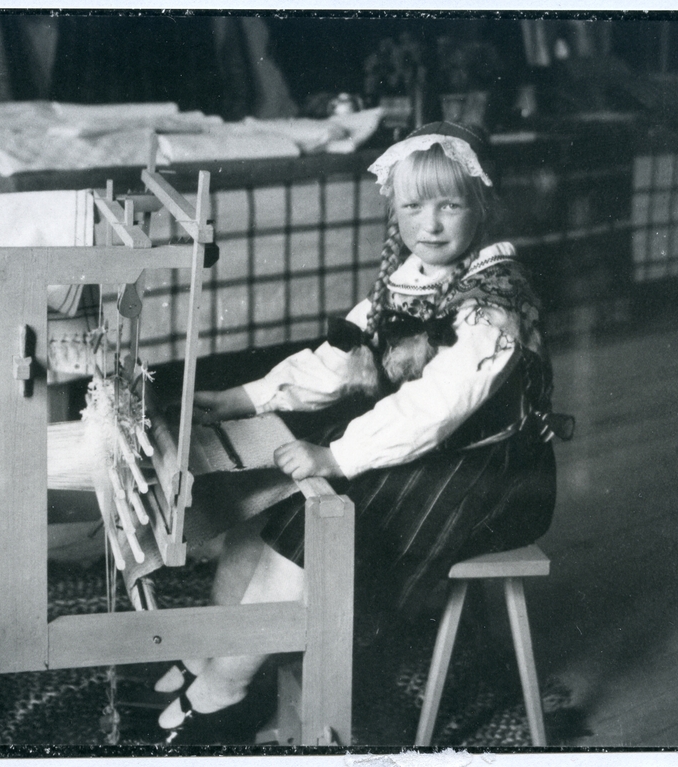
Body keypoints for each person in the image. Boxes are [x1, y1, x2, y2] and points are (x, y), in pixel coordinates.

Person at [155, 121, 571, 745]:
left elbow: (437, 406)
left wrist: (337, 456)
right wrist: (242, 397)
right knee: (271, 490)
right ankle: (213, 651)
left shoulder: (494, 300)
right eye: (414, 207)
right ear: (395, 211)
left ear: (482, 207)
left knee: (323, 518)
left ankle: (227, 688)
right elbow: (336, 363)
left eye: (449, 206)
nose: (430, 225)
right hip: (430, 447)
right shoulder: (407, 280)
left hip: (493, 474)